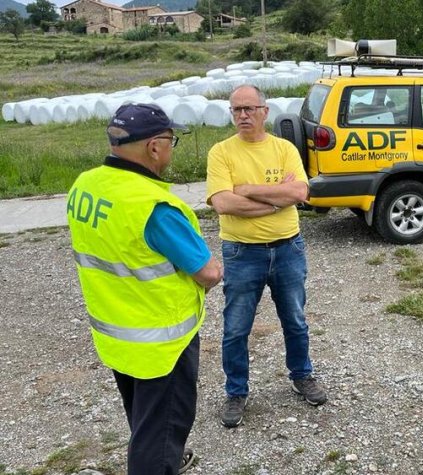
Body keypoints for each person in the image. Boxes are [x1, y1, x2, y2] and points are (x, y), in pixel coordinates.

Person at [67, 103, 223, 474]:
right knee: (163, 429)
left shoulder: (86, 185)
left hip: (115, 333)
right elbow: (209, 273)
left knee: (142, 416)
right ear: (155, 146)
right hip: (161, 344)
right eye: (172, 140)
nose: (172, 148)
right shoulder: (154, 207)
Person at [206, 85, 328, 429]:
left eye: (249, 108)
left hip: (288, 249)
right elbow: (222, 203)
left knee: (295, 320)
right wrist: (276, 200)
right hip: (241, 253)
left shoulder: (285, 148)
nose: (242, 115)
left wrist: (247, 190)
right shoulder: (221, 152)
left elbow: (300, 192)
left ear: (264, 111)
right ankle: (236, 392)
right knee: (235, 328)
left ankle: (302, 375)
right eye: (236, 110)